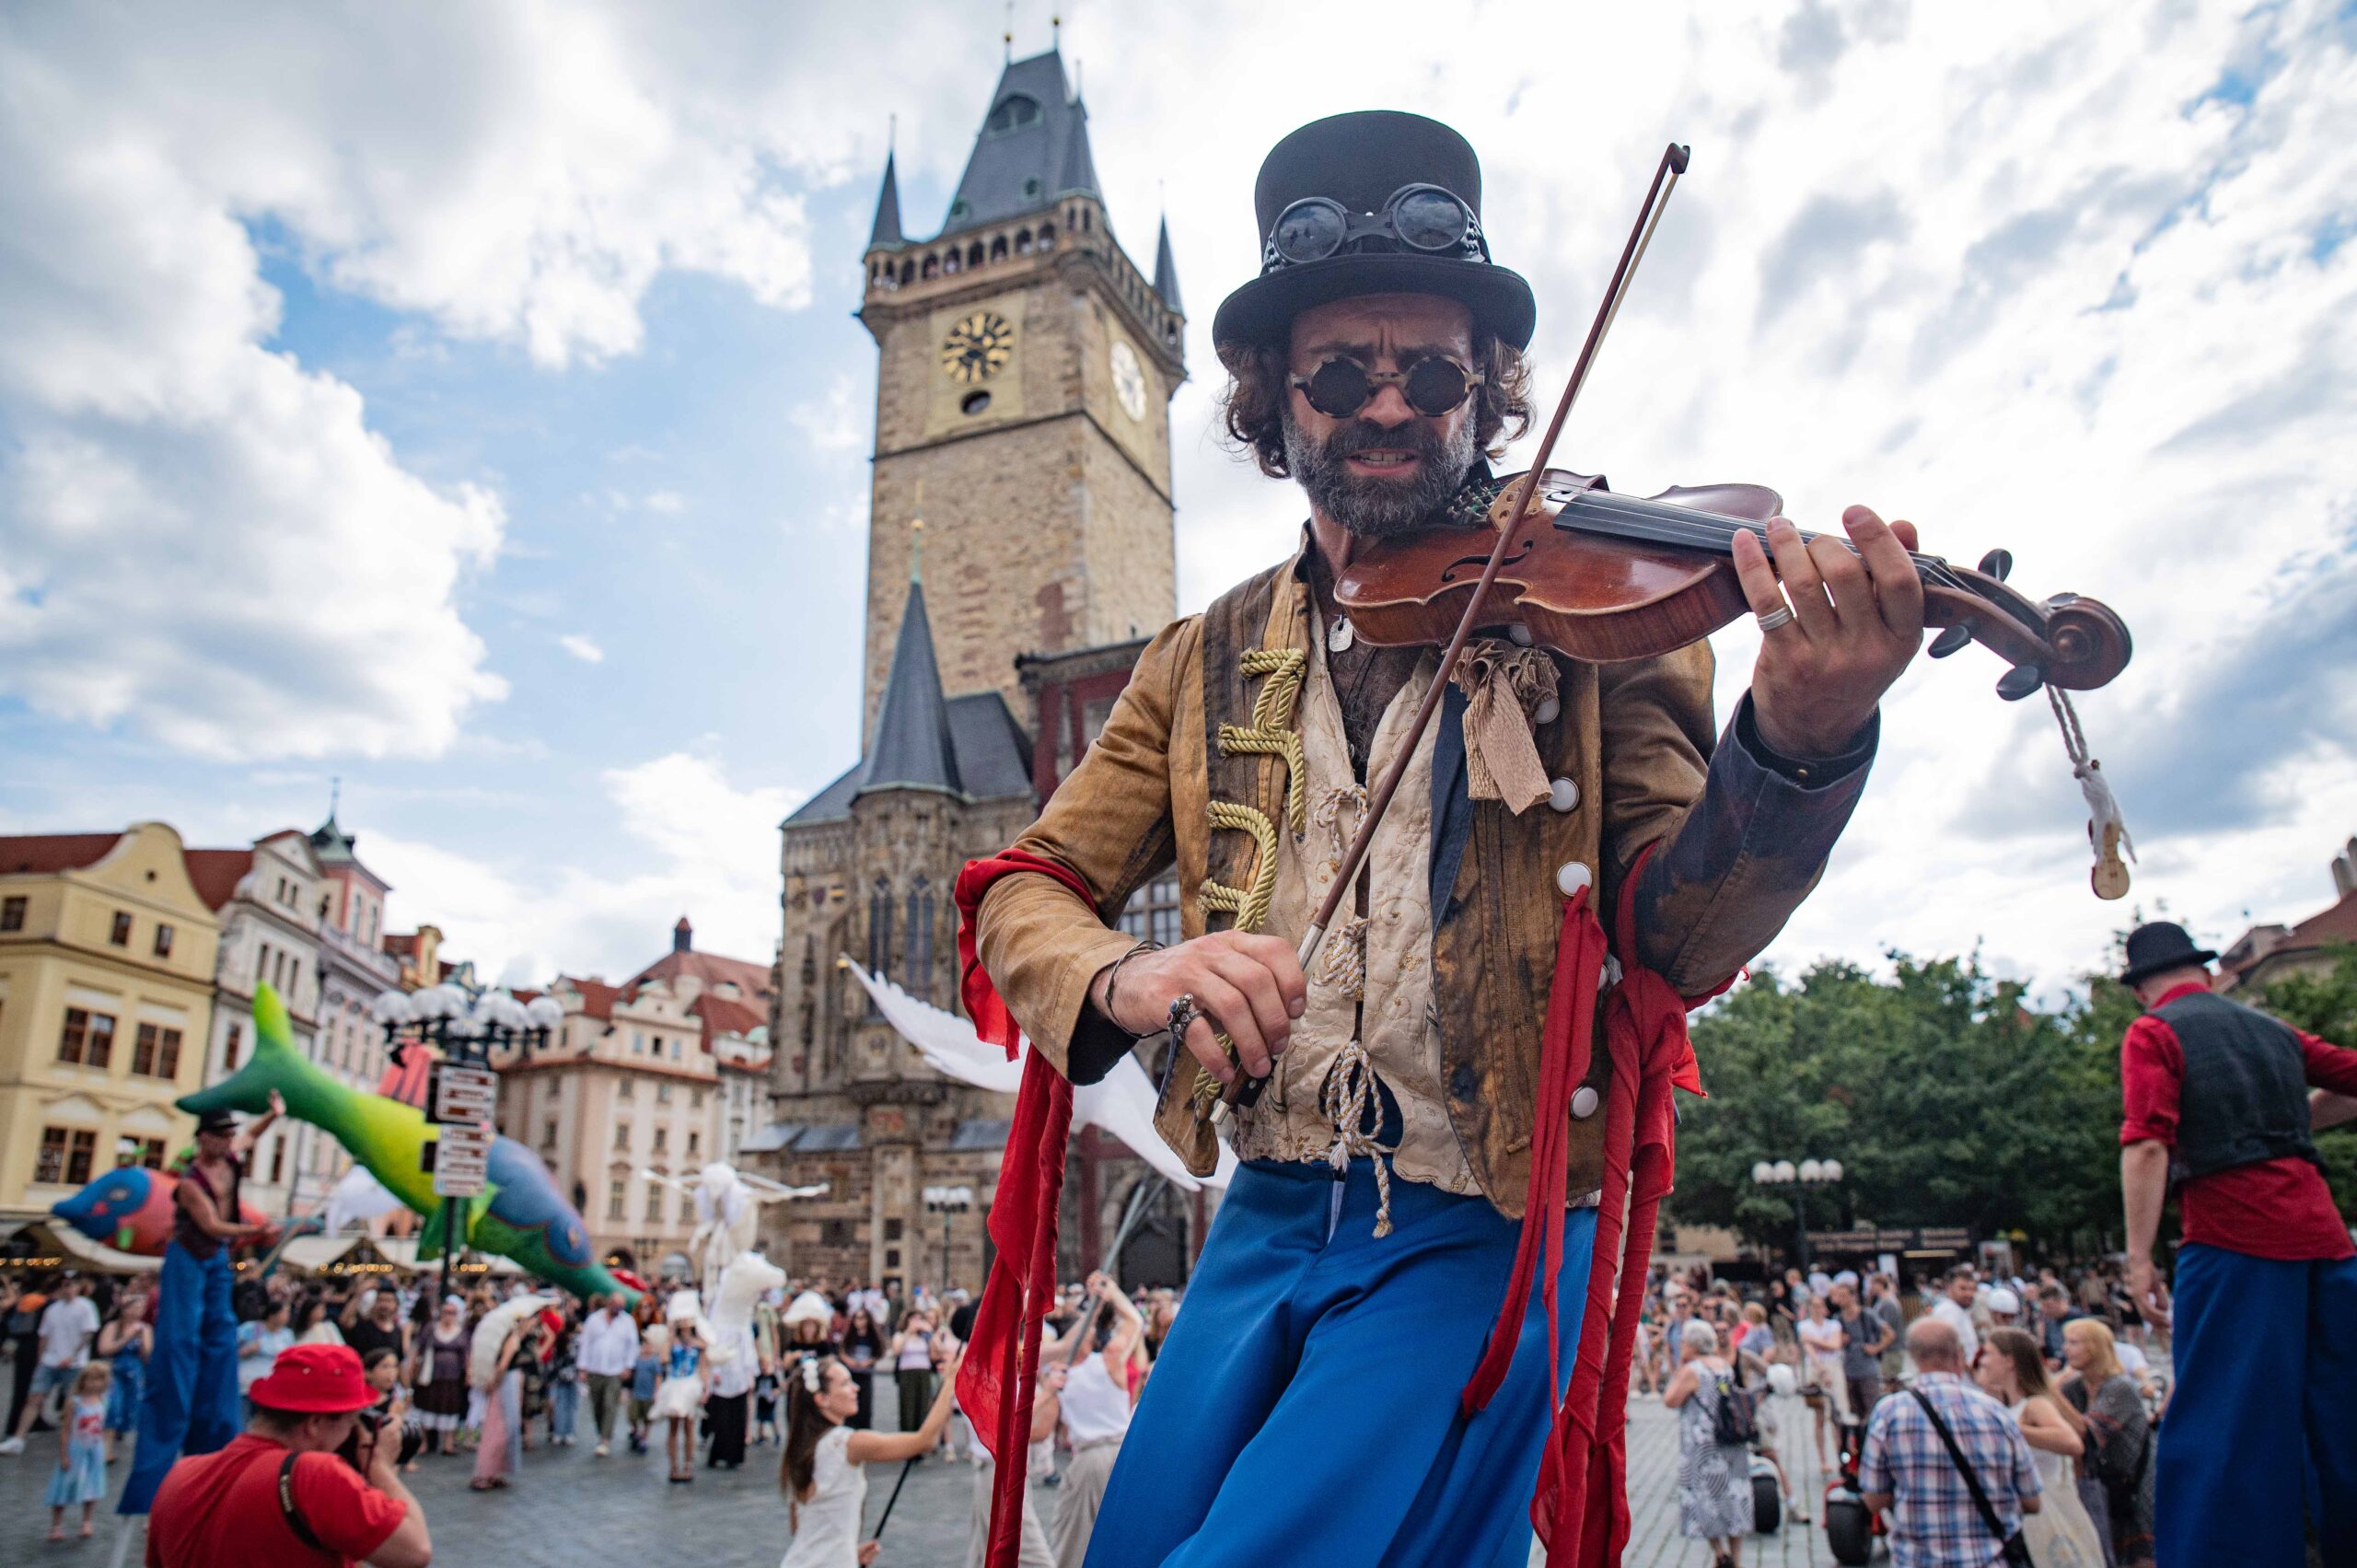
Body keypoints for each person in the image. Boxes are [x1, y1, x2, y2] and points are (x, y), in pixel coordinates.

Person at [963, 107, 1922, 1568]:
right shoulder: (1198, 655)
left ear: (1485, 393)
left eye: (1432, 373)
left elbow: (1681, 940)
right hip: (1266, 1204)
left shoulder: (1608, 606)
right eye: (1340, 374)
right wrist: (1129, 977)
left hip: (1483, 1209)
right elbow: (1025, 887)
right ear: (1274, 403)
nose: (1389, 405)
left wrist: (1799, 744)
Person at [2110, 919, 2357, 1564]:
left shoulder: (2154, 1031)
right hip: (2325, 1238)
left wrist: (2139, 1259)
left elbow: (2147, 1145)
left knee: (2225, 1419)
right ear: (2207, 973)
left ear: (2140, 990)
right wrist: (2294, 1119)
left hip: (2235, 1238)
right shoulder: (2272, 1030)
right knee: (2344, 1410)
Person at [116, 1096, 280, 1513]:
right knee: (181, 1340)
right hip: (189, 1254)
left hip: (216, 1258)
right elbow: (211, 1224)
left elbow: (251, 1136)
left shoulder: (231, 1159)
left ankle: (214, 1448)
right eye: (220, 1135)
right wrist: (257, 1230)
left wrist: (273, 1115)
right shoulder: (189, 1183)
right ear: (203, 1138)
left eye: (229, 1134)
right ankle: (170, 1438)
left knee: (220, 1334)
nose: (227, 1141)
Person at [145, 1342, 430, 1567]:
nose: (353, 1434)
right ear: (315, 1423)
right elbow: (416, 1550)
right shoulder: (313, 1474)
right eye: (352, 1422)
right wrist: (379, 1467)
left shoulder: (182, 1473)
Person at [1858, 1318, 2042, 1568]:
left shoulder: (1888, 1413)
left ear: (1914, 1357)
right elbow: (2031, 1500)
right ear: (1959, 1355)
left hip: (1917, 1560)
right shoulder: (1995, 1412)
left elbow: (1874, 1500)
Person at [779, 1348, 966, 1568]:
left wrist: (849, 1553)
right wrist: (950, 1382)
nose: (856, 1388)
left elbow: (802, 1528)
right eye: (845, 1384)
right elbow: (925, 1440)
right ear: (822, 1399)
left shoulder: (801, 1449)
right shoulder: (847, 1443)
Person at [1973, 1328, 2106, 1568]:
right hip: (2029, 1515)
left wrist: (2013, 1429)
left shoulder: (2034, 1405)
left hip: (2048, 1511)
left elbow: (2071, 1443)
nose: (1983, 1360)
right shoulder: (2007, 1407)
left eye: (1989, 1353)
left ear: (2009, 1361)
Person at [1043, 1272, 1144, 1568]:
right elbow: (1134, 1322)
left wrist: (1103, 1300)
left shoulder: (1094, 1364)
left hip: (1097, 1456)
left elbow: (1135, 1324)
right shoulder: (1061, 1375)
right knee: (1082, 1535)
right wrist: (1110, 1296)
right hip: (1113, 1456)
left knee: (1079, 1540)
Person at [2057, 1318, 2154, 1568]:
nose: (2066, 1348)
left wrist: (2050, 1390)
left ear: (2095, 1347)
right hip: (2102, 1489)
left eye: (2074, 1343)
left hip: (2133, 1490)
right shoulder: (2075, 1388)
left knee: (2140, 1558)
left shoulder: (2120, 1387)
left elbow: (2087, 1433)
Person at [1662, 1319, 1753, 1568]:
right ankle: (1735, 1557)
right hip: (1730, 1439)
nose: (1681, 1345)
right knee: (1733, 1495)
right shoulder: (1723, 1365)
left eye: (1683, 1342)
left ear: (1693, 1345)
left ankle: (1720, 1553)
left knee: (1706, 1496)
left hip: (1704, 1445)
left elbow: (1670, 1399)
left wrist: (1680, 1368)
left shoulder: (1692, 1370)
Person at [1, 1273, 99, 1456]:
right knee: (34, 1398)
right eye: (64, 1285)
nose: (68, 1289)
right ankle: (18, 1438)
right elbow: (44, 1336)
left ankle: (75, 1439)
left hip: (74, 1363)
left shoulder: (85, 1307)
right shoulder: (52, 1309)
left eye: (71, 1285)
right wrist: (41, 1359)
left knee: (74, 1401)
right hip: (50, 1360)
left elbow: (88, 1334)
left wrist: (73, 1356)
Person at [44, 1360, 110, 1540]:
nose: (95, 1384)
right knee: (64, 1486)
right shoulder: (75, 1402)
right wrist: (64, 1455)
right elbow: (66, 1430)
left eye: (99, 1380)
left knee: (92, 1486)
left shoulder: (104, 1401)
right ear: (83, 1380)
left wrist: (105, 1450)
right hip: (76, 1450)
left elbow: (104, 1428)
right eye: (91, 1379)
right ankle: (56, 1525)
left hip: (94, 1450)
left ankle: (87, 1521)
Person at [575, 1293, 635, 1457]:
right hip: (595, 1369)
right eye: (616, 1304)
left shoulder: (627, 1321)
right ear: (609, 1303)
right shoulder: (594, 1320)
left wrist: (628, 1366)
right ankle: (602, 1431)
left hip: (615, 1371)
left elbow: (632, 1345)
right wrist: (582, 1367)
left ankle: (605, 1439)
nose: (619, 1308)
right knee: (597, 1405)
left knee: (610, 1404)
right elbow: (585, 1343)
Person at [407, 1297, 469, 1458]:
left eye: (452, 1313)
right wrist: (412, 1369)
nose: (449, 1315)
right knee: (427, 1405)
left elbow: (466, 1354)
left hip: (452, 1377)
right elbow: (418, 1349)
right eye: (446, 1312)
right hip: (431, 1375)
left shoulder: (461, 1332)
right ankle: (423, 1442)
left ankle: (448, 1443)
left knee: (450, 1407)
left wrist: (468, 1373)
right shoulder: (431, 1328)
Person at [1795, 1291, 1851, 1467]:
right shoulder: (1804, 1326)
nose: (1817, 1309)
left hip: (1833, 1367)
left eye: (1820, 1306)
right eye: (1814, 1306)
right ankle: (1823, 1460)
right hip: (1816, 1369)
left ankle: (1841, 1457)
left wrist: (1814, 1341)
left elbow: (1835, 1344)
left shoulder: (1833, 1325)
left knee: (1837, 1415)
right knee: (1819, 1416)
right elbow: (1809, 1349)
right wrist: (1821, 1369)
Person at [651, 1311, 706, 1483]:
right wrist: (669, 1335)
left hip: (690, 1383)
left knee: (689, 1426)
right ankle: (673, 1466)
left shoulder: (699, 1342)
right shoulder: (672, 1341)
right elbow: (663, 1359)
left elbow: (703, 1366)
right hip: (674, 1383)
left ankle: (688, 1465)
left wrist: (705, 1388)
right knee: (673, 1427)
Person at [99, 1289, 153, 1463]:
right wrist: (127, 1338)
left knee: (130, 1409)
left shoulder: (145, 1328)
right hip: (114, 1371)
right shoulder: (113, 1327)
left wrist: (142, 1340)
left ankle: (117, 1438)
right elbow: (104, 1349)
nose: (138, 1311)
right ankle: (106, 1451)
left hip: (134, 1373)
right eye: (135, 1307)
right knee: (112, 1407)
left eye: (141, 1308)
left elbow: (148, 1356)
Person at [1831, 1279, 1892, 1415]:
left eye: (1844, 1296)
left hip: (1868, 1370)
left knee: (1872, 1408)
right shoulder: (1838, 1319)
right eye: (1839, 1296)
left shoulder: (1867, 1315)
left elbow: (1889, 1333)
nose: (1840, 1300)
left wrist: (1877, 1348)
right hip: (1848, 1370)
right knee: (1856, 1411)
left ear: (1853, 1297)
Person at [236, 1299, 295, 1418]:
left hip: (271, 1386)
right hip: (246, 1385)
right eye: (285, 1312)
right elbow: (231, 1352)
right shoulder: (250, 1328)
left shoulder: (287, 1334)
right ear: (272, 1314)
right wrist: (247, 1351)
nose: (288, 1316)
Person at [888, 1308, 935, 1444]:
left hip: (923, 1371)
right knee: (908, 1406)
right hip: (907, 1372)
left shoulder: (925, 1337)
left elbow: (935, 1353)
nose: (916, 1322)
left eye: (919, 1319)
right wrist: (909, 1332)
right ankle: (907, 1439)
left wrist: (931, 1333)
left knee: (922, 1405)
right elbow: (896, 1350)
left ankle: (921, 1440)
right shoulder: (900, 1335)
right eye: (913, 1319)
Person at [1927, 1268, 1980, 1367]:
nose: (1969, 1294)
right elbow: (1951, 1351)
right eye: (1963, 1289)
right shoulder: (1948, 1311)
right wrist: (1971, 1372)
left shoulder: (1959, 1309)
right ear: (1949, 1288)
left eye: (1972, 1289)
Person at [629, 1322, 663, 1456]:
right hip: (637, 1393)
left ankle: (645, 1437)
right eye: (644, 1345)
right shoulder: (637, 1359)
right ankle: (636, 1431)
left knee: (647, 1418)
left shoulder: (654, 1361)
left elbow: (658, 1376)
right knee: (633, 1415)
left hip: (648, 1394)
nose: (647, 1348)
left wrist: (657, 1391)